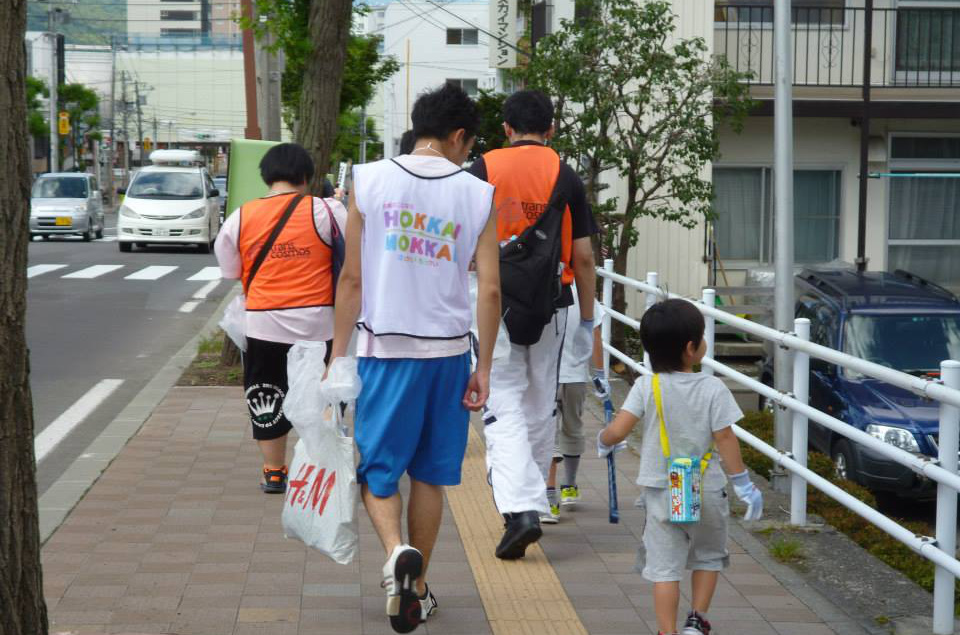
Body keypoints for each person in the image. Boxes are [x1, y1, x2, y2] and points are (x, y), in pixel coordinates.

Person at [328, 83, 500, 634]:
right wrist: (486, 367)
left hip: (385, 350)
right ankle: (417, 587)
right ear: (456, 136)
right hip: (449, 354)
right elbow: (491, 291)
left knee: (379, 470)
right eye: (467, 144)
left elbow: (351, 278)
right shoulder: (477, 194)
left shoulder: (369, 179)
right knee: (430, 475)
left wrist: (338, 356)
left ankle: (397, 551)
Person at [468, 89, 598, 559]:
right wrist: (588, 318)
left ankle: (518, 506)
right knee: (542, 401)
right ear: (551, 128)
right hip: (553, 302)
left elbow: (462, 246)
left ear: (505, 128)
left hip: (493, 300)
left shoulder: (483, 168)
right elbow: (583, 258)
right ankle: (537, 501)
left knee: (501, 400)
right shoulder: (566, 175)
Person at [598, 299, 764, 635]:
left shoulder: (647, 385)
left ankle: (666, 631)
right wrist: (743, 483)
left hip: (662, 490)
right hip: (706, 489)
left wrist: (604, 440)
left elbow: (618, 431)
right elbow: (726, 437)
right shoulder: (713, 387)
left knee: (665, 568)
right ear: (691, 349)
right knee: (707, 556)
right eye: (702, 338)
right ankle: (697, 620)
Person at [214, 143, 347, 494]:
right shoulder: (327, 211)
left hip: (263, 324)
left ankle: (274, 470)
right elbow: (352, 260)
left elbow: (230, 271)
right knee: (322, 394)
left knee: (266, 393)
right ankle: (320, 467)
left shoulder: (240, 217)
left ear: (267, 177)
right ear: (306, 176)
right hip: (319, 324)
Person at [542, 285, 609, 523]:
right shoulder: (583, 292)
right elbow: (596, 334)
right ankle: (568, 485)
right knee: (573, 428)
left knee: (547, 433)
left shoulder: (540, 285)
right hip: (575, 375)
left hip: (545, 374)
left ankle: (549, 498)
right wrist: (600, 373)